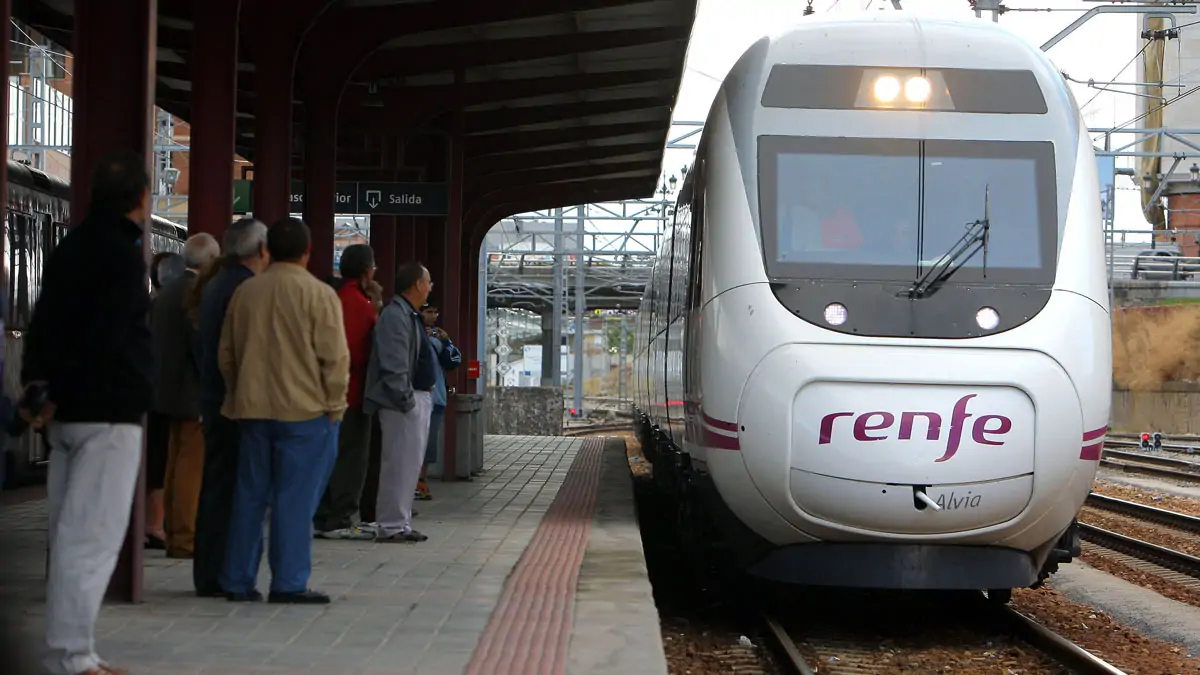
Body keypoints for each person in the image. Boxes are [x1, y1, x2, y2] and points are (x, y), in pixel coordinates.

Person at [20, 150, 156, 675]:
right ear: (141, 200)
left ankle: (73, 649)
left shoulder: (71, 247)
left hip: (69, 416)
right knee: (92, 538)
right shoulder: (122, 257)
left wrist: (42, 388)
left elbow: (46, 320)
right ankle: (71, 656)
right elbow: (106, 337)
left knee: (66, 534)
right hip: (108, 411)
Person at [218, 217, 349, 604]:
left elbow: (226, 354)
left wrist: (238, 394)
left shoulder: (246, 292)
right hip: (307, 414)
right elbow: (335, 359)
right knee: (295, 501)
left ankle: (238, 580)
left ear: (267, 250)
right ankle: (289, 582)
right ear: (308, 252)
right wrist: (334, 406)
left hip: (253, 411)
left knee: (249, 498)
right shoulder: (320, 294)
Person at [191, 218, 270, 598]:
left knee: (217, 486)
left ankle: (209, 571)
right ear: (260, 251)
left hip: (215, 398)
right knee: (235, 489)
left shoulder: (217, 284)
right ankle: (222, 572)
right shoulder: (243, 288)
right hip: (234, 403)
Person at [151, 234, 220, 560]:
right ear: (208, 262)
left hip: (167, 392)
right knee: (191, 467)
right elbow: (200, 347)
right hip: (193, 394)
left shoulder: (166, 294)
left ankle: (174, 532)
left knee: (174, 464)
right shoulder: (196, 293)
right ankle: (185, 538)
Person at [364, 261, 436, 544]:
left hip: (415, 398)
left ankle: (401, 521)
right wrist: (406, 401)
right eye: (428, 282)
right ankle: (391, 524)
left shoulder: (409, 314)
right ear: (418, 284)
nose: (430, 287)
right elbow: (394, 362)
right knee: (398, 463)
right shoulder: (396, 316)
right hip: (402, 402)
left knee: (409, 464)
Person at [314, 244, 379, 540]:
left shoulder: (334, 297)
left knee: (329, 455)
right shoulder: (356, 302)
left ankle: (325, 513)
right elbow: (354, 352)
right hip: (350, 393)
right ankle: (339, 517)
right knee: (351, 459)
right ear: (368, 271)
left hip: (326, 392)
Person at [145, 252, 183, 551]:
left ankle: (152, 523)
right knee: (163, 459)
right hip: (169, 395)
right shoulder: (179, 306)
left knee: (154, 459)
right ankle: (156, 525)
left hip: (150, 392)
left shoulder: (150, 308)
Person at [415, 304, 462, 501]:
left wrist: (446, 341)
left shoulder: (440, 336)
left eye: (435, 312)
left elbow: (454, 360)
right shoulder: (413, 331)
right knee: (416, 442)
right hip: (417, 395)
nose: (433, 316)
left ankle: (421, 480)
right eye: (428, 312)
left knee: (428, 444)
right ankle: (414, 483)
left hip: (437, 397)